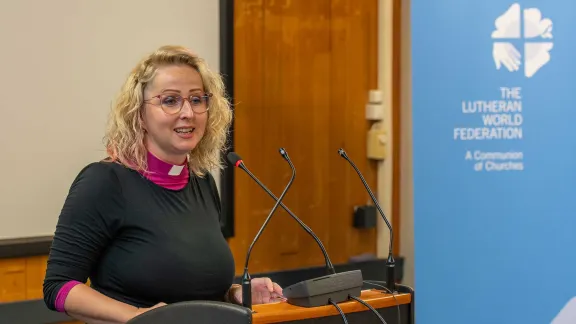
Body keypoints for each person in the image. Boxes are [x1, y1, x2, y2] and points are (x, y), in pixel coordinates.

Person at [43, 45, 283, 324]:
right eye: (170, 100)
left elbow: (188, 288)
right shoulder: (104, 182)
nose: (188, 113)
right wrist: (139, 318)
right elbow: (58, 288)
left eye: (197, 100)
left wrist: (235, 294)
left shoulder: (202, 182)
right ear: (140, 114)